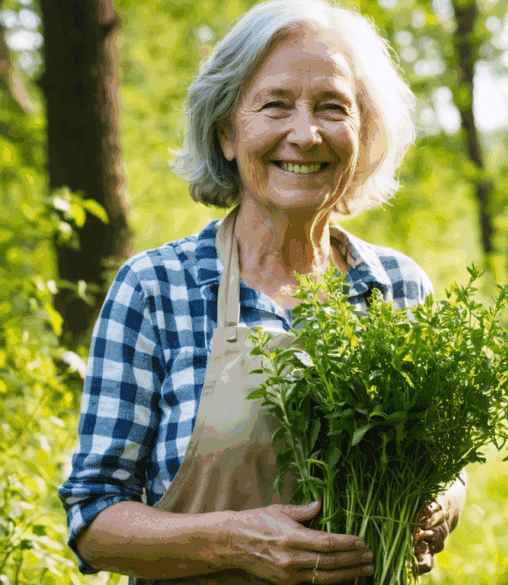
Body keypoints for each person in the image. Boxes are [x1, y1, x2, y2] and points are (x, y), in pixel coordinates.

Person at [57, 1, 465, 583]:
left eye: (333, 108)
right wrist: (233, 540)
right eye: (276, 105)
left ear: (362, 133)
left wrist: (439, 507)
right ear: (226, 133)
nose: (306, 134)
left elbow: (445, 471)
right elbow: (94, 520)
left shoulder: (398, 289)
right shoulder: (155, 289)